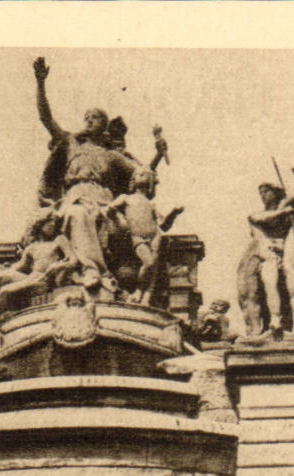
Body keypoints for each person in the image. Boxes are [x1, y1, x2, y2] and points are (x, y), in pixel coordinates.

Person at [33, 57, 147, 294]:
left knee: (101, 219)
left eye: (94, 117)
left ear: (104, 125)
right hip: (75, 196)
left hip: (104, 199)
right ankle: (92, 270)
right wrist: (40, 82)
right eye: (86, 117)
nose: (88, 120)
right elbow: (46, 118)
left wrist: (146, 171)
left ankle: (94, 268)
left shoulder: (111, 155)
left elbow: (139, 172)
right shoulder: (71, 143)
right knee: (77, 213)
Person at [0, 210, 80, 345]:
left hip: (44, 281)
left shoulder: (59, 240)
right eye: (49, 223)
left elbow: (74, 260)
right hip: (32, 277)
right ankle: (1, 307)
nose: (52, 226)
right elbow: (19, 267)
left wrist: (59, 266)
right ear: (40, 225)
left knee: (5, 291)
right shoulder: (31, 248)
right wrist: (7, 270)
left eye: (54, 223)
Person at [109, 168, 184, 301]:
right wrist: (122, 220)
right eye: (138, 174)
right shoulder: (125, 198)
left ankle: (146, 297)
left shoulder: (151, 204)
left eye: (144, 174)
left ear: (149, 181)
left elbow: (163, 225)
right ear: (133, 180)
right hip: (137, 236)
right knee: (148, 263)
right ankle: (138, 291)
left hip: (155, 236)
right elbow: (110, 209)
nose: (140, 175)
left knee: (153, 269)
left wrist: (173, 213)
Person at [247, 182, 294, 335]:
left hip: (289, 254)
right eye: (261, 192)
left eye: (266, 192)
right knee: (270, 280)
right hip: (269, 255)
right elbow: (258, 218)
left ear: (276, 193)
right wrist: (283, 211)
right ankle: (275, 319)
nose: (263, 195)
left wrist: (288, 203)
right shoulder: (260, 215)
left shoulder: (289, 214)